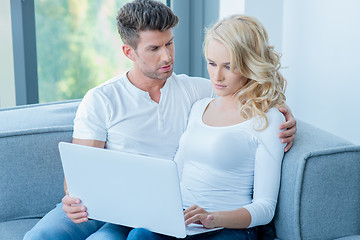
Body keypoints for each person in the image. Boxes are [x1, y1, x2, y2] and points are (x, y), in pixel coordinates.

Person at [24, 1, 296, 240]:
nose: (167, 57)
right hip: (102, 202)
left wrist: (283, 112)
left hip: (157, 210)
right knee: (40, 236)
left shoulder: (195, 91)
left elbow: (245, 91)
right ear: (129, 52)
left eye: (170, 43)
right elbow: (80, 173)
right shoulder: (102, 99)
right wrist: (72, 197)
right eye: (154, 48)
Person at [125, 14, 287, 240]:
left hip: (226, 227)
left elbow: (265, 207)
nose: (217, 76)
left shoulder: (268, 119)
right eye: (211, 64)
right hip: (180, 223)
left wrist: (213, 217)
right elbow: (174, 174)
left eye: (229, 66)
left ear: (250, 65)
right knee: (138, 236)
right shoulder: (199, 107)